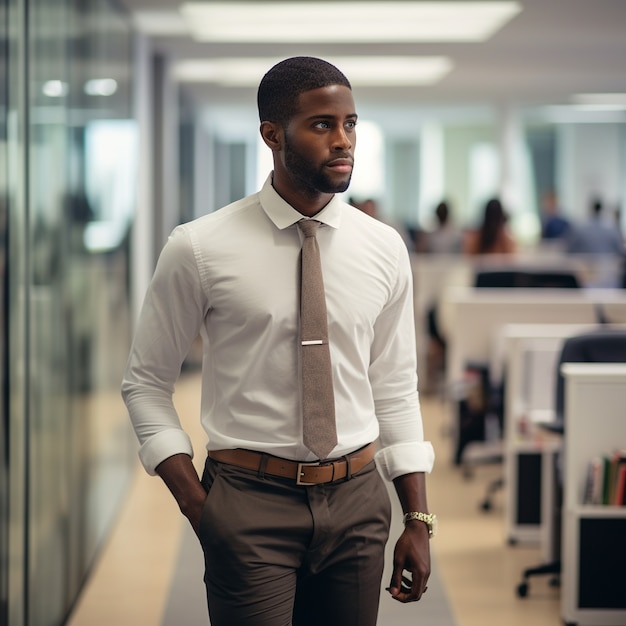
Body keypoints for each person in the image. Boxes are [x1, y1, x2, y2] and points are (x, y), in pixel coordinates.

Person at [122, 56, 435, 626]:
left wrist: (417, 517)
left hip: (359, 500)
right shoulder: (199, 247)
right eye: (322, 125)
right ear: (272, 134)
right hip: (247, 498)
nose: (343, 141)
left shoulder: (384, 248)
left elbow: (394, 384)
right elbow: (145, 385)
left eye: (351, 124)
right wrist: (200, 508)